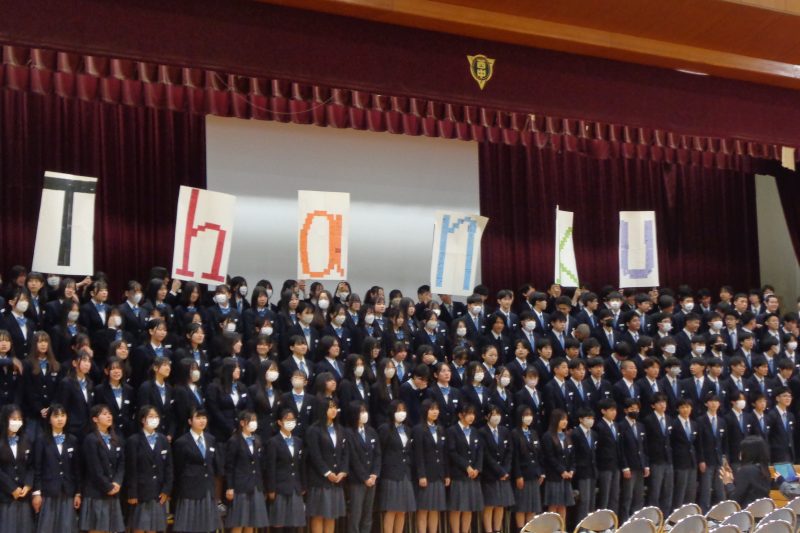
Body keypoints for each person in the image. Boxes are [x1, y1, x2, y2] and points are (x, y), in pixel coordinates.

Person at [171, 407, 223, 533]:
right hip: (189, 491)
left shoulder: (211, 439)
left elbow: (213, 465)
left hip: (207, 489)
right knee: (190, 527)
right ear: (190, 421)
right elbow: (178, 469)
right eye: (198, 418)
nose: (202, 421)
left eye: (204, 417)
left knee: (208, 527)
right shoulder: (181, 442)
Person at [124, 405, 172, 533]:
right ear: (143, 419)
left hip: (158, 492)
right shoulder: (133, 440)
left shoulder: (163, 439)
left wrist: (166, 489)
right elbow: (131, 469)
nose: (154, 419)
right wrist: (132, 492)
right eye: (151, 416)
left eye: (156, 416)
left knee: (154, 528)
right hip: (140, 492)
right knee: (139, 527)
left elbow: (169, 466)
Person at [305, 397, 348, 533]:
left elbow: (345, 452)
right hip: (320, 480)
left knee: (331, 515)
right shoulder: (314, 430)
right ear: (323, 409)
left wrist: (343, 471)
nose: (333, 410)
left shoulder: (340, 429)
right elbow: (315, 455)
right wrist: (327, 472)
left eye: (335, 407)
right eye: (330, 407)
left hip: (337, 480)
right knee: (319, 515)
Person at [80, 404, 125, 533]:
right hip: (96, 492)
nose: (109, 416)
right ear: (95, 419)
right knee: (97, 529)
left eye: (110, 413)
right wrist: (107, 486)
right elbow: (94, 468)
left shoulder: (116, 438)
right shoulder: (90, 439)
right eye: (104, 414)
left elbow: (122, 463)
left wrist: (117, 482)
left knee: (111, 529)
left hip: (113, 491)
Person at [224, 410, 269, 533]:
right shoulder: (234, 440)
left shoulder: (257, 439)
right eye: (251, 420)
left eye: (255, 420)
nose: (254, 423)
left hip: (255, 485)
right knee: (239, 522)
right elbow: (229, 466)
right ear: (242, 423)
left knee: (251, 522)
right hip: (240, 486)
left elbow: (260, 464)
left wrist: (262, 486)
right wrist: (230, 487)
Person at [378, 400, 416, 533]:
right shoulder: (384, 429)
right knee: (392, 509)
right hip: (391, 473)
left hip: (405, 472)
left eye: (403, 410)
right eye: (398, 410)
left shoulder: (408, 429)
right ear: (392, 412)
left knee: (402, 510)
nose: (402, 413)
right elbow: (380, 451)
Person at [266, 408, 306, 532]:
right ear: (279, 422)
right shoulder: (273, 442)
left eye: (292, 419)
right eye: (287, 419)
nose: (290, 422)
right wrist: (271, 489)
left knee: (293, 524)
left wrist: (303, 485)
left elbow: (301, 465)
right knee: (278, 524)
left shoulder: (298, 441)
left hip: (295, 487)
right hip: (280, 488)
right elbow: (270, 467)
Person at [447, 402, 484, 533]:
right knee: (457, 508)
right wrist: (466, 467)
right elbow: (452, 452)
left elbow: (480, 452)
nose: (471, 416)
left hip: (473, 476)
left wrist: (477, 468)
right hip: (459, 474)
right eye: (468, 414)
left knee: (469, 508)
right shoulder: (452, 430)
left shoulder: (475, 431)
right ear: (460, 415)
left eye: (473, 413)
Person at [412, 399, 448, 533]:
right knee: (423, 509)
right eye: (432, 409)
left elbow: (444, 454)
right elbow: (418, 454)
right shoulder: (418, 429)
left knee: (435, 509)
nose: (435, 412)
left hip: (439, 475)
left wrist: (446, 474)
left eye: (437, 409)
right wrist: (421, 475)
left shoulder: (440, 429)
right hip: (426, 475)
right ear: (425, 411)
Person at [345, 401, 380, 533]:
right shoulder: (348, 433)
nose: (364, 414)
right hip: (357, 480)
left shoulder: (371, 431)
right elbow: (353, 458)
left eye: (365, 411)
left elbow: (378, 454)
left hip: (372, 479)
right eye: (361, 411)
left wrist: (374, 474)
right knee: (356, 514)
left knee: (368, 514)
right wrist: (365, 477)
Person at [479, 404, 514, 533]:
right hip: (490, 474)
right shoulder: (482, 432)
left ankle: (497, 530)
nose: (496, 417)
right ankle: (488, 530)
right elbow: (486, 455)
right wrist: (499, 471)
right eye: (493, 414)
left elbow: (509, 452)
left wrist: (506, 470)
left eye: (498, 414)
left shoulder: (504, 431)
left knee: (500, 505)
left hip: (504, 474)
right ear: (486, 416)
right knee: (490, 505)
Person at [0, 405, 34, 533]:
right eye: (13, 419)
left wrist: (28, 485)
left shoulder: (26, 439)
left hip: (24, 496)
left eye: (19, 419)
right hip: (4, 496)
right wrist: (12, 488)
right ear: (5, 419)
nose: (17, 422)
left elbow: (31, 465)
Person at [510, 405, 544, 531]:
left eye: (530, 415)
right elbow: (515, 457)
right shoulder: (515, 433)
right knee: (521, 506)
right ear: (520, 416)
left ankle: (530, 530)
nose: (529, 417)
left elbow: (539, 455)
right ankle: (520, 529)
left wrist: (541, 472)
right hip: (522, 475)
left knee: (532, 506)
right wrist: (518, 475)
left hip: (534, 474)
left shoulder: (533, 433)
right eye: (526, 415)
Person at [541, 409, 574, 522]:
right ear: (555, 420)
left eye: (566, 419)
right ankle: (552, 528)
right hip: (554, 476)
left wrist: (571, 470)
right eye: (562, 419)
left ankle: (562, 527)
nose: (565, 422)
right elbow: (549, 457)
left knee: (563, 504)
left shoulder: (566, 435)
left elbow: (572, 455)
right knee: (554, 504)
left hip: (566, 476)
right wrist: (561, 471)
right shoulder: (548, 436)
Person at [719, 436, 772, 507]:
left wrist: (728, 483)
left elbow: (734, 500)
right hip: (763, 510)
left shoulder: (745, 470)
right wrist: (733, 480)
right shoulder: (764, 469)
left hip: (748, 511)